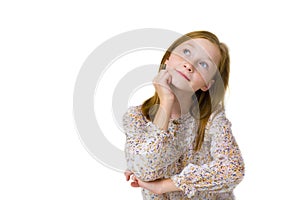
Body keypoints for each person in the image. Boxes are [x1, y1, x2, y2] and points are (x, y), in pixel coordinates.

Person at [123, 30, 245, 199]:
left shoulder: (212, 119)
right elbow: (144, 169)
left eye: (203, 64)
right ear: (168, 59)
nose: (189, 64)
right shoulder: (136, 117)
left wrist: (165, 186)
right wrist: (166, 101)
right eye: (186, 52)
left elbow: (233, 169)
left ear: (206, 85)